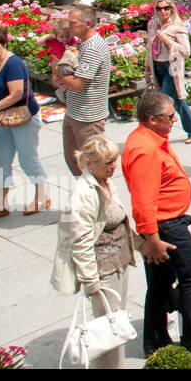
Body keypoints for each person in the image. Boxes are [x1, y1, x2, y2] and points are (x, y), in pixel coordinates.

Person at [122, 90, 191, 356]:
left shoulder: (153, 138)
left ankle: (154, 341)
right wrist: (153, 240)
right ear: (152, 119)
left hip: (163, 224)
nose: (175, 119)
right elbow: (143, 200)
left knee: (159, 285)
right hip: (165, 226)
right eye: (170, 116)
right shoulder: (144, 150)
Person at [51, 135, 135, 368]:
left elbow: (120, 220)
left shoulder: (105, 182)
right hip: (103, 269)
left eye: (114, 160)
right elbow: (81, 243)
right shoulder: (84, 194)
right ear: (89, 163)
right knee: (108, 329)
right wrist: (90, 281)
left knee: (115, 322)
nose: (113, 167)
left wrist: (138, 245)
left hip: (119, 262)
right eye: (108, 162)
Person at [0, 27, 48, 218]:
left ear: (4, 44)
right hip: (6, 117)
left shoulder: (13, 64)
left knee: (27, 159)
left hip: (24, 117)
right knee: (0, 159)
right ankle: (1, 203)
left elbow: (16, 93)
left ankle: (42, 197)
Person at [54, 5, 111, 178]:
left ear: (87, 23)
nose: (68, 26)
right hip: (74, 112)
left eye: (72, 23)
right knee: (75, 162)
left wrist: (58, 71)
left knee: (94, 168)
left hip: (88, 118)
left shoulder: (92, 49)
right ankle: (85, 197)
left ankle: (101, 202)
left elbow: (78, 84)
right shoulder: (82, 44)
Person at [144, 0, 191, 145]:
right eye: (159, 8)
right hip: (157, 67)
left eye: (166, 8)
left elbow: (186, 51)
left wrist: (168, 41)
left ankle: (157, 132)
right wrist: (147, 67)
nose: (162, 11)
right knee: (177, 101)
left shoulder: (177, 27)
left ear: (171, 9)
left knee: (162, 101)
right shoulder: (152, 25)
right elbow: (149, 49)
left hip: (171, 68)